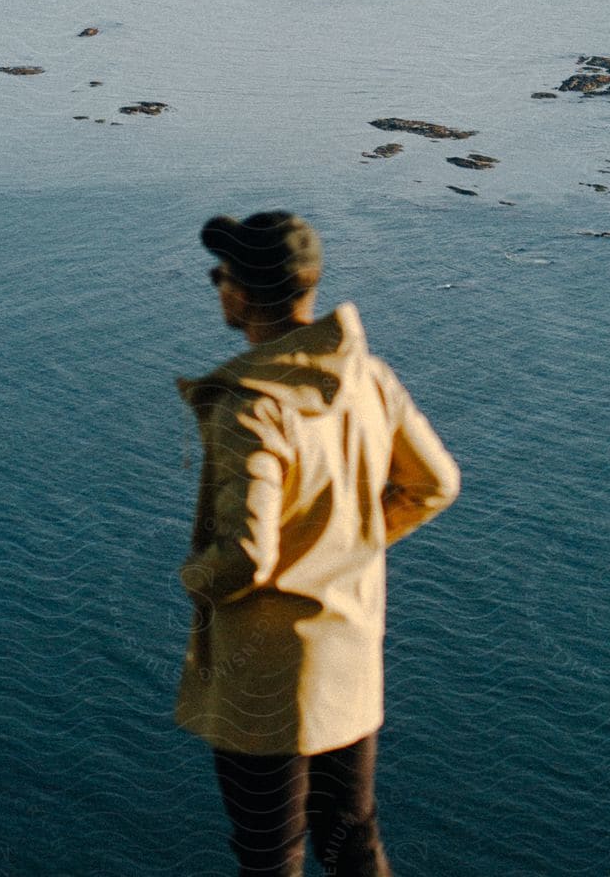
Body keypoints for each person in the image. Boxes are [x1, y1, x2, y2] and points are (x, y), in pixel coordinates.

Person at [175, 210, 460, 877]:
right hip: (348, 659)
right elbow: (435, 485)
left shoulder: (252, 403)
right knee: (352, 838)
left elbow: (247, 555)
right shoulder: (368, 376)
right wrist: (350, 547)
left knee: (269, 857)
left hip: (265, 678)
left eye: (220, 275)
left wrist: (197, 578)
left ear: (243, 291)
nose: (216, 285)